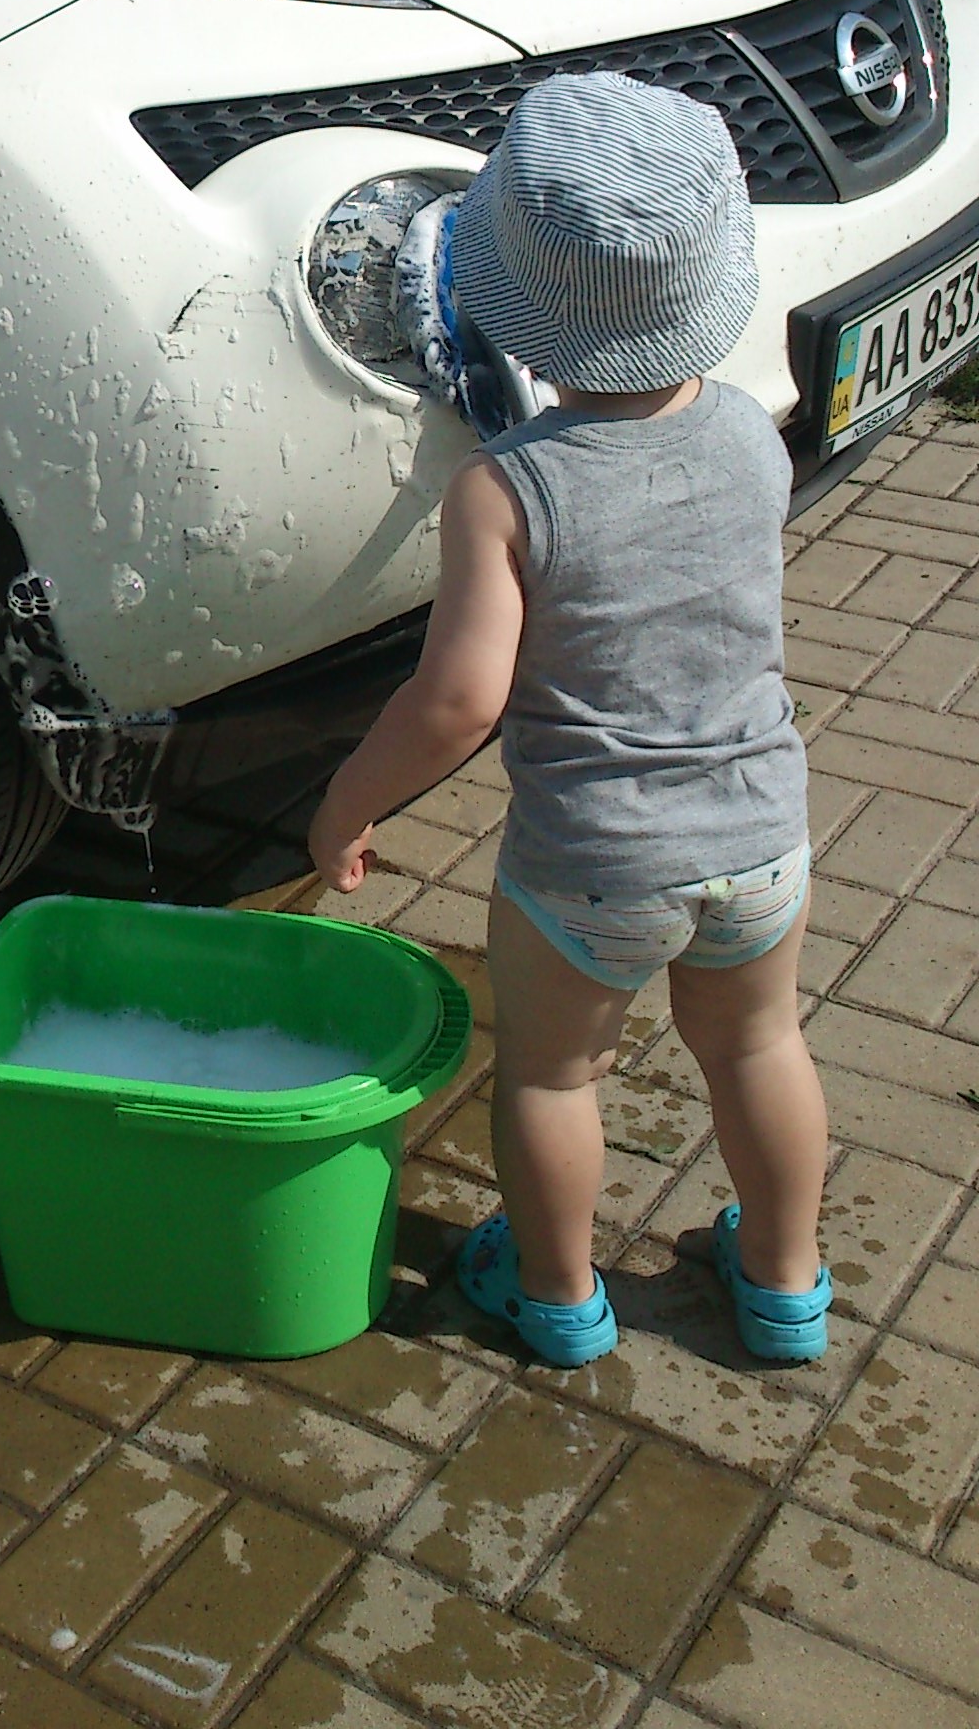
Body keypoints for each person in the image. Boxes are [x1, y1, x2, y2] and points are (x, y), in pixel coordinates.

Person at [306, 71, 831, 1368]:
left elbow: (458, 701)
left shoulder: (505, 491)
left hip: (594, 866)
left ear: (521, 315)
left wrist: (347, 804)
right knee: (759, 1045)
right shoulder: (754, 438)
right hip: (763, 837)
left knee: (552, 1077)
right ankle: (784, 1288)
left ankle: (555, 1298)